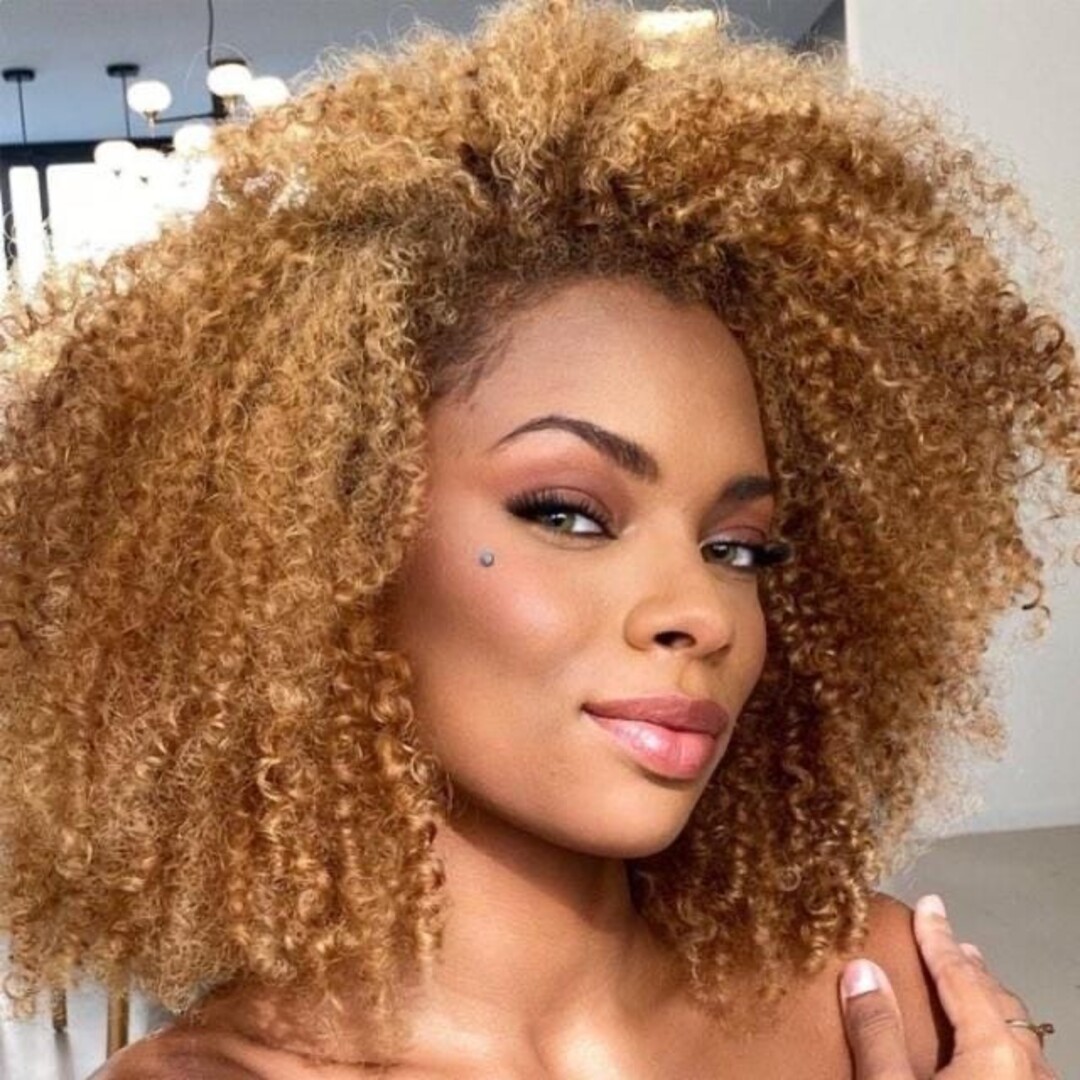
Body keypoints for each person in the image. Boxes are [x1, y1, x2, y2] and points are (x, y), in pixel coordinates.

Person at [0, 1, 1074, 1076]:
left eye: (738, 547)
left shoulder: (877, 993)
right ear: (330, 551)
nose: (702, 614)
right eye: (567, 514)